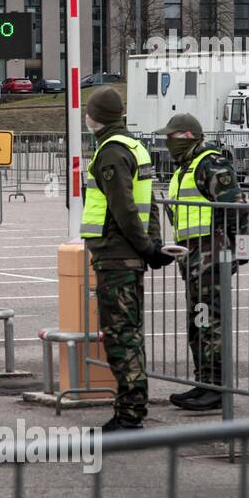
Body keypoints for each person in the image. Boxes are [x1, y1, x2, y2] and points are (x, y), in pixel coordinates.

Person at [80, 87, 175, 432]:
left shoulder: (111, 153)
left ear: (96, 117)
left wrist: (147, 247)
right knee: (130, 331)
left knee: (120, 334)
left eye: (88, 112)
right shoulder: (136, 147)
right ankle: (132, 407)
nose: (86, 117)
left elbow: (123, 208)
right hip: (129, 253)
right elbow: (146, 204)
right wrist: (152, 245)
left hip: (116, 254)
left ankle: (130, 413)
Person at [156, 113, 248, 411]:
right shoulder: (186, 167)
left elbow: (237, 208)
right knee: (198, 320)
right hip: (192, 256)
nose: (168, 142)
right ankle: (203, 382)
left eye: (173, 136)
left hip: (212, 253)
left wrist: (239, 253)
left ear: (188, 136)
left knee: (210, 321)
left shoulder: (211, 164)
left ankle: (217, 387)